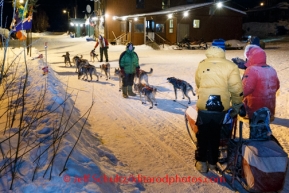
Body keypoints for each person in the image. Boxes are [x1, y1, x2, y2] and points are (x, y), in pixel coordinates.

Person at [194, 46, 243, 173]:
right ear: (223, 53)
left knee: (203, 134)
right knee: (215, 134)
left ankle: (201, 162)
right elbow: (236, 89)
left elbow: (198, 83)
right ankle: (212, 162)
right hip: (221, 107)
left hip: (204, 105)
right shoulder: (231, 66)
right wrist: (236, 106)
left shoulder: (202, 64)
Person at [241, 45, 280, 121]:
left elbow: (245, 90)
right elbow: (277, 86)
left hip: (255, 108)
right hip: (269, 107)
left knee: (256, 129)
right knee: (264, 128)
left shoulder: (252, 70)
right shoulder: (272, 69)